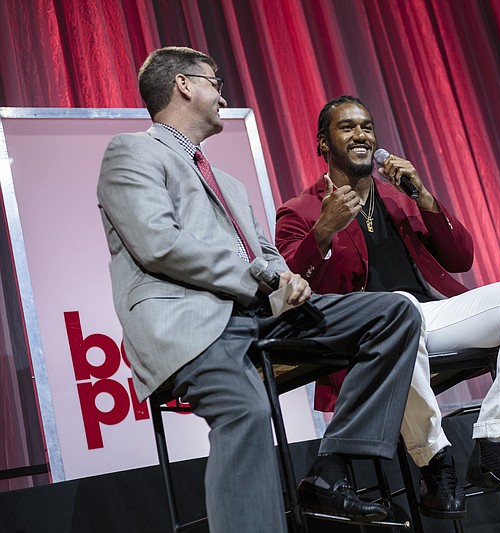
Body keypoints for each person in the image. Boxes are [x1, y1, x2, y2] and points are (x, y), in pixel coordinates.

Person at [96, 48, 421, 532]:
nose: (222, 93)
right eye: (215, 82)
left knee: (395, 313)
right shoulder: (131, 152)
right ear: (184, 85)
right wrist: (265, 278)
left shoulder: (227, 180)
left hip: (260, 318)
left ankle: (333, 465)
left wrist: (286, 276)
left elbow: (266, 254)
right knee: (246, 410)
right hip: (191, 324)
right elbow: (159, 245)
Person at [274, 95, 500, 519]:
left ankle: (498, 442)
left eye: (367, 126)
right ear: (323, 143)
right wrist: (322, 232)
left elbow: (461, 258)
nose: (361, 135)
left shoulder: (398, 198)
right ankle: (435, 460)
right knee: (399, 309)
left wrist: (424, 195)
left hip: (433, 315)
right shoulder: (301, 210)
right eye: (348, 127)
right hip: (369, 335)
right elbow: (290, 291)